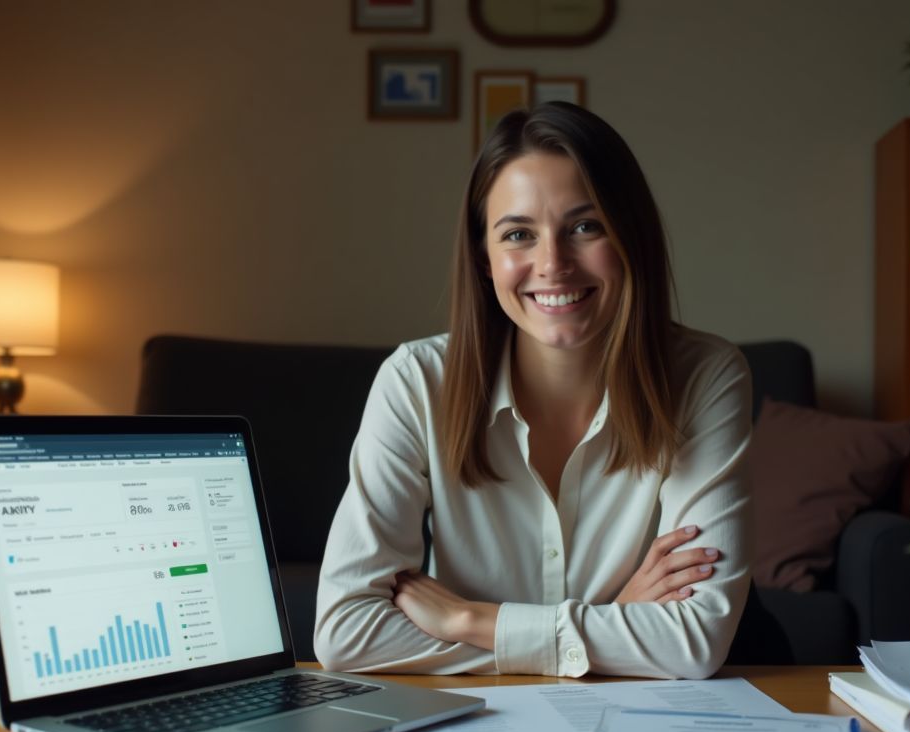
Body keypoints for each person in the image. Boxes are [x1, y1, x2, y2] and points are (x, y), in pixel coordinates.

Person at [314, 102, 752, 679]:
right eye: (518, 234)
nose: (553, 263)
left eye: (585, 227)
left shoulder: (706, 375)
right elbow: (347, 632)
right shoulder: (417, 382)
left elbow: (694, 641)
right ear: (485, 258)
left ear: (631, 237)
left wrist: (471, 621)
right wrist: (611, 625)